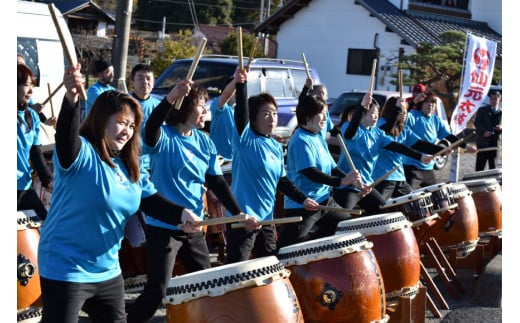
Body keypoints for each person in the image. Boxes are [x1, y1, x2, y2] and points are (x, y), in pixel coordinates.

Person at [37, 63, 202, 322]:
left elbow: (148, 200)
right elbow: (66, 139)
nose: (127, 130)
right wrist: (70, 99)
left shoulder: (129, 166)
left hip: (108, 270)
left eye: (132, 125)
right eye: (121, 122)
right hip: (65, 267)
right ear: (102, 120)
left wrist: (182, 214)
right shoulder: (82, 156)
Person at [127, 82, 245, 322]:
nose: (206, 112)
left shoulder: (204, 142)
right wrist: (170, 98)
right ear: (185, 107)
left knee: (207, 285)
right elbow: (149, 130)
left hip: (194, 228)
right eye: (202, 106)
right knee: (157, 289)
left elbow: (218, 183)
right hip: (164, 228)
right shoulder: (165, 137)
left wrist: (239, 213)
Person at [225, 68, 319, 263]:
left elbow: (282, 181)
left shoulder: (275, 146)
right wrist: (241, 86)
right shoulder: (245, 140)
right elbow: (240, 113)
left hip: (267, 219)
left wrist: (303, 199)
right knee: (236, 270)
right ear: (253, 116)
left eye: (274, 113)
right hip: (243, 219)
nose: (272, 118)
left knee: (270, 265)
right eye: (266, 113)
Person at [276, 95, 363, 250]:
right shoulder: (300, 139)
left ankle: (312, 248)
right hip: (303, 204)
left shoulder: (318, 136)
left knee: (348, 228)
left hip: (324, 200)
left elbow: (332, 168)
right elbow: (310, 172)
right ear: (308, 116)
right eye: (322, 113)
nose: (325, 117)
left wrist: (353, 181)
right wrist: (341, 182)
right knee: (286, 249)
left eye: (326, 113)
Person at [333, 93, 434, 214]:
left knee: (383, 215)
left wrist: (420, 156)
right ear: (363, 114)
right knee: (342, 221)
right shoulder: (348, 127)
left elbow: (397, 146)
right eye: (372, 113)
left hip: (367, 186)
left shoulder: (378, 133)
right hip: (347, 187)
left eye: (377, 113)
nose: (376, 116)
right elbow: (350, 133)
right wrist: (361, 107)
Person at [374, 97, 447, 200]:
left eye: (406, 111)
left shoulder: (403, 129)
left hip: (399, 176)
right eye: (401, 111)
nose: (405, 114)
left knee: (413, 202)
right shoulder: (381, 123)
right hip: (383, 177)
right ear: (393, 111)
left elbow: (420, 144)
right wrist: (420, 157)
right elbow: (388, 132)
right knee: (379, 209)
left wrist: (441, 151)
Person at [404, 91, 477, 189]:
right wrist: (415, 100)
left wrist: (466, 147)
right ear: (421, 104)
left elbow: (449, 137)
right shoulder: (413, 116)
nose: (430, 104)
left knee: (438, 196)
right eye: (427, 102)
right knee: (408, 199)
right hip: (412, 167)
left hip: (428, 168)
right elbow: (403, 113)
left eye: (433, 102)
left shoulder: (435, 120)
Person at [17, 64, 53, 220]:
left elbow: (35, 153)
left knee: (46, 226)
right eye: (26, 85)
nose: (31, 90)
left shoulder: (32, 116)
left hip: (23, 186)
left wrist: (48, 180)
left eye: (32, 85)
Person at [129, 63, 161, 173]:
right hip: (128, 160)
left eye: (148, 79)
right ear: (132, 82)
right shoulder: (123, 102)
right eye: (140, 78)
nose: (145, 82)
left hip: (152, 163)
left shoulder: (159, 106)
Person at [209, 71, 240, 162]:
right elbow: (226, 95)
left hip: (234, 159)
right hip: (217, 158)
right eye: (236, 90)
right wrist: (237, 79)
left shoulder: (242, 111)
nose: (238, 93)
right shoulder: (218, 106)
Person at [474, 91, 502, 171]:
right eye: (491, 99)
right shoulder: (482, 110)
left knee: (493, 169)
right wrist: (484, 131)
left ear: (500, 100)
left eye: (495, 98)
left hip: (495, 145)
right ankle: (477, 183)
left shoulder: (502, 113)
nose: (493, 100)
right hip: (483, 144)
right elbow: (477, 122)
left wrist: (501, 127)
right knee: (479, 169)